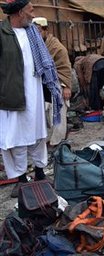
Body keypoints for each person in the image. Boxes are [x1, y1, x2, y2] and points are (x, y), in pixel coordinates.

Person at [0, 0, 63, 197]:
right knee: (16, 138)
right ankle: (19, 178)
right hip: (11, 94)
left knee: (38, 133)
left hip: (34, 92)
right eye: (30, 10)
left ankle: (40, 173)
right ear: (19, 12)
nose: (33, 13)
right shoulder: (2, 34)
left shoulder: (33, 32)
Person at [32, 17, 72, 147]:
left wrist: (66, 87)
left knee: (58, 113)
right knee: (47, 115)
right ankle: (50, 139)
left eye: (38, 30)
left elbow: (65, 67)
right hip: (43, 84)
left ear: (45, 30)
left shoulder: (56, 47)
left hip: (58, 83)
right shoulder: (36, 45)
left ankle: (58, 141)